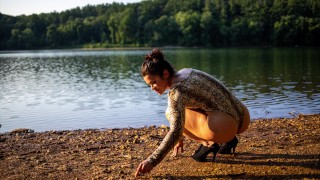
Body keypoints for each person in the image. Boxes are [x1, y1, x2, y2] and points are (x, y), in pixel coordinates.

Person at [135, 48, 250, 177]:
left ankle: (209, 144)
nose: (152, 88)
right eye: (149, 85)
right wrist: (179, 137)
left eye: (154, 82)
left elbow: (175, 130)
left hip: (225, 126)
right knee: (184, 107)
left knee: (169, 112)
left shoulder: (176, 93)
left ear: (165, 74)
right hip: (243, 115)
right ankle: (228, 141)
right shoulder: (187, 71)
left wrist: (152, 160)